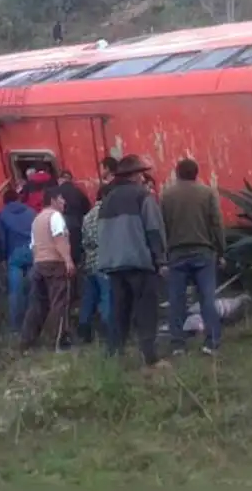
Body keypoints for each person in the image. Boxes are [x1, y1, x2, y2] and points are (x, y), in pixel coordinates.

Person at [97, 154, 171, 373]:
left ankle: (113, 355)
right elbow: (153, 229)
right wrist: (160, 259)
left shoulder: (107, 200)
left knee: (120, 311)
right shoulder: (143, 195)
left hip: (113, 265)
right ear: (135, 175)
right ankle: (150, 359)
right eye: (141, 173)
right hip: (139, 261)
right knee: (146, 310)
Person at [160, 158, 227, 356]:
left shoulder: (166, 195)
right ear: (196, 173)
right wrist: (221, 251)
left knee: (176, 299)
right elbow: (216, 223)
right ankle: (212, 341)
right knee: (207, 297)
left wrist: (163, 256)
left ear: (177, 173)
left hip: (176, 252)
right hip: (203, 251)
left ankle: (177, 344)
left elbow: (162, 226)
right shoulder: (207, 193)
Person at [21, 188, 75, 352]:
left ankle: (27, 342)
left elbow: (33, 246)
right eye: (61, 199)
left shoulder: (37, 219)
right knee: (59, 302)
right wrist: (68, 260)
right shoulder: (55, 216)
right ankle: (59, 342)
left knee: (37, 304)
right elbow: (59, 238)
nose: (64, 202)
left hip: (39, 264)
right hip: (55, 263)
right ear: (52, 200)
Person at [0, 188, 35, 334]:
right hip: (33, 252)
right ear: (18, 199)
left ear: (5, 201)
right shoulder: (31, 212)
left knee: (16, 291)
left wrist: (3, 257)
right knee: (34, 289)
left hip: (15, 255)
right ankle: (34, 323)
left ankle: (16, 327)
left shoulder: (2, 215)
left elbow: (2, 239)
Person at [78, 186, 111, 343]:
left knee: (89, 297)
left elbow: (84, 241)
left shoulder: (87, 216)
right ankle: (107, 330)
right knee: (106, 296)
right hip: (104, 260)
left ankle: (84, 328)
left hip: (90, 261)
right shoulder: (107, 213)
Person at [56, 170, 91, 269]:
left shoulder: (56, 193)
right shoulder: (78, 191)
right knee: (77, 257)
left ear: (60, 179)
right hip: (77, 226)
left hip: (61, 228)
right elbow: (87, 208)